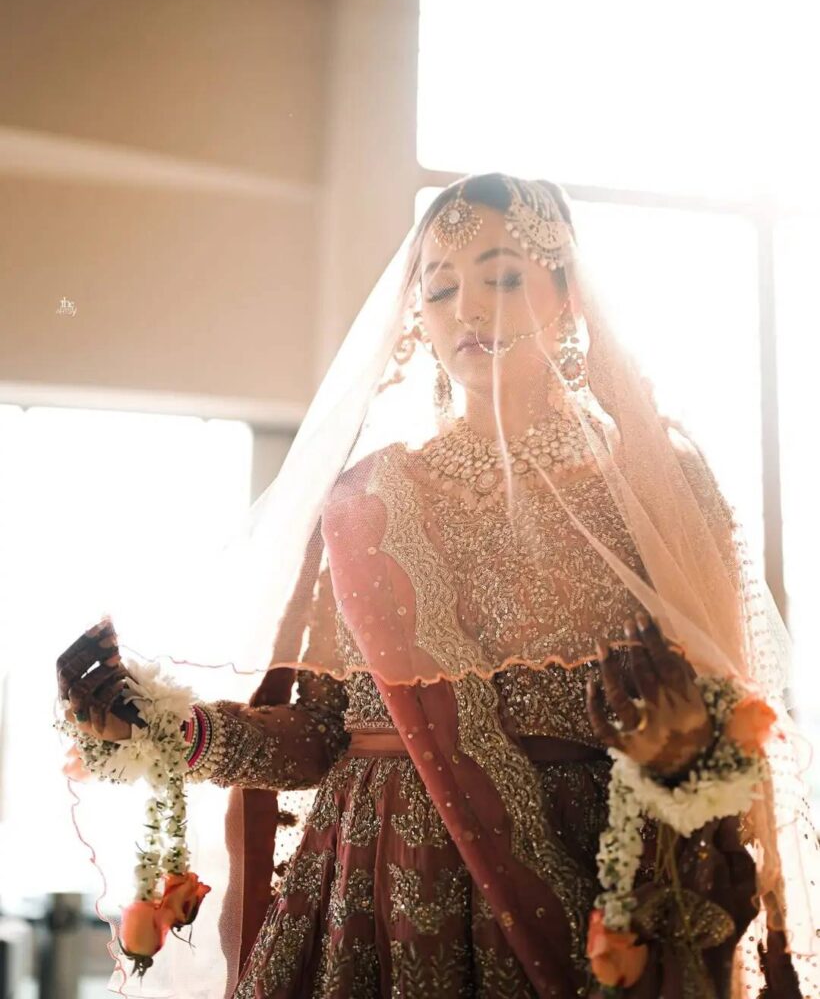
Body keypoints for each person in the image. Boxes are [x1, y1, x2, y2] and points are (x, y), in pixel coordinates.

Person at [56, 173, 819, 998]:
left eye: (503, 278)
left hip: (575, 884)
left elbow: (723, 722)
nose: (469, 311)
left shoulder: (649, 483)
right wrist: (169, 727)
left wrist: (678, 744)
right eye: (442, 289)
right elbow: (321, 734)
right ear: (417, 317)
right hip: (367, 898)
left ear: (568, 295)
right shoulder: (371, 498)